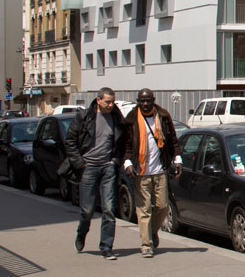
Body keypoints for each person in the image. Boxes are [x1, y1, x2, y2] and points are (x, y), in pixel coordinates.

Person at [65, 87, 126, 260]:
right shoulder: (84, 116)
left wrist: (115, 161)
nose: (111, 105)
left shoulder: (115, 117)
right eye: (107, 102)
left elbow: (122, 141)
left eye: (113, 101)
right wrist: (80, 163)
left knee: (109, 209)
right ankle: (81, 233)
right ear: (98, 100)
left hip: (108, 166)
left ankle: (106, 247)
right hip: (88, 167)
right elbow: (70, 141)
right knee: (88, 210)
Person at [123, 89, 182, 258]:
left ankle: (152, 231)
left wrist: (177, 159)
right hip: (140, 172)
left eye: (148, 100)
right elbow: (126, 145)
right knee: (144, 210)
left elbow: (172, 141)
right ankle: (146, 244)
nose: (145, 104)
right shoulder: (131, 120)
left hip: (160, 170)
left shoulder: (163, 117)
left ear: (153, 100)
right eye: (142, 101)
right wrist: (127, 163)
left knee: (162, 207)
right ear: (138, 101)